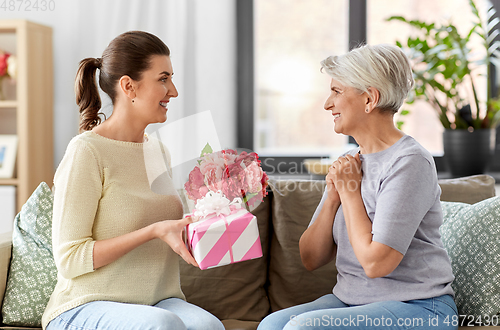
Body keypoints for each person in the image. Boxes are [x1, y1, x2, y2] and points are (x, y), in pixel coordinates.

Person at [257, 44, 458, 330]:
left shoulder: (409, 162)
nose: (328, 104)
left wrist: (350, 193)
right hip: (351, 302)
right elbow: (310, 258)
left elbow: (377, 265)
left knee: (301, 329)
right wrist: (332, 197)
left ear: (369, 98)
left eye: (337, 91)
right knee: (270, 326)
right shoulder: (349, 164)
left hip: (419, 307)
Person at [42, 31, 224, 330]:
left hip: (156, 301)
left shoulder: (157, 149)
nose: (174, 91)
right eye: (163, 79)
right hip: (85, 304)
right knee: (162, 325)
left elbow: (166, 228)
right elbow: (70, 259)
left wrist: (209, 218)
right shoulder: (87, 151)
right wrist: (152, 231)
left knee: (209, 327)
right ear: (129, 86)